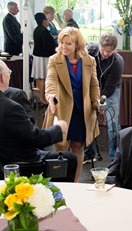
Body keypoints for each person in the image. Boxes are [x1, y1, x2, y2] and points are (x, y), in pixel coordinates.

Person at [0, 60, 77, 182]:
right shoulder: (10, 108)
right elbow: (35, 138)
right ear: (2, 78)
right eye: (8, 72)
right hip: (17, 163)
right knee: (70, 159)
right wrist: (58, 128)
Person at [43, 27, 100, 182]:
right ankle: (61, 182)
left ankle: (75, 182)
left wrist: (96, 102)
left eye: (68, 43)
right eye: (62, 42)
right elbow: (51, 80)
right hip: (61, 109)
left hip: (82, 111)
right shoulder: (55, 60)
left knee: (78, 146)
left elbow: (94, 84)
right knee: (61, 147)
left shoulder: (89, 60)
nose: (64, 47)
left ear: (77, 45)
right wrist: (51, 96)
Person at [87, 33, 124, 161]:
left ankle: (115, 157)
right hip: (90, 89)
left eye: (109, 51)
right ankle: (87, 153)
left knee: (113, 123)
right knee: (88, 120)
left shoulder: (118, 62)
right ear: (99, 45)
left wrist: (100, 102)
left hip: (110, 91)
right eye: (103, 50)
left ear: (114, 49)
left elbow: (109, 88)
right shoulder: (89, 51)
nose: (106, 53)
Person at [31, 12, 56, 106]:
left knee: (42, 79)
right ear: (43, 21)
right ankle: (42, 99)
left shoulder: (36, 30)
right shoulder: (44, 31)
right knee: (43, 79)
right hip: (43, 57)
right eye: (46, 19)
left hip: (38, 56)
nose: (47, 21)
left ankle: (42, 98)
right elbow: (47, 46)